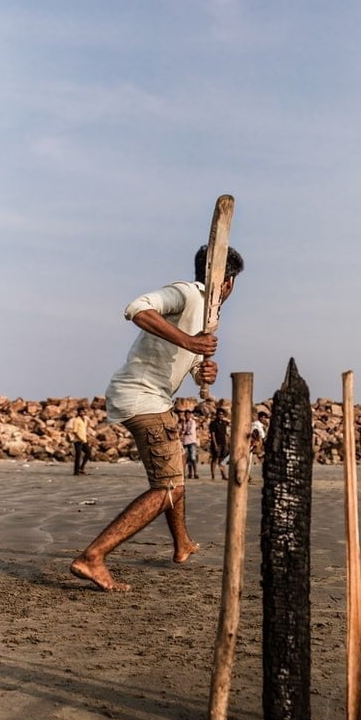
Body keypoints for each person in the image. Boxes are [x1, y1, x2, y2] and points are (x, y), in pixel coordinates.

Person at [70, 245, 244, 591]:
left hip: (156, 398)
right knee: (168, 486)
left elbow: (190, 364)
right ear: (226, 282)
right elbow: (137, 309)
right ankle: (93, 556)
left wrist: (203, 370)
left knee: (175, 476)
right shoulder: (188, 293)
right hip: (142, 397)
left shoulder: (209, 317)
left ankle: (182, 544)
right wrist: (190, 343)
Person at [67, 406, 92, 476]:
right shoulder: (76, 420)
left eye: (83, 412)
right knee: (78, 456)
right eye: (81, 412)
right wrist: (80, 439)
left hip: (84, 440)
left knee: (88, 453)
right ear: (78, 413)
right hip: (78, 441)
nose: (82, 413)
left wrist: (86, 437)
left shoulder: (84, 420)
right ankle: (76, 472)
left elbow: (84, 430)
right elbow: (74, 432)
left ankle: (81, 468)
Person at [209, 406, 229, 480]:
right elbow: (213, 434)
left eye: (222, 414)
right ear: (217, 415)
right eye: (219, 414)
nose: (221, 415)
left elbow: (225, 434)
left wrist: (226, 444)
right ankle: (213, 475)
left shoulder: (224, 423)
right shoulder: (213, 423)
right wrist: (215, 445)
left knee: (222, 460)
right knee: (214, 459)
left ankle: (223, 475)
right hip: (217, 443)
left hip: (223, 443)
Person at [181, 409, 199, 479]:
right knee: (186, 459)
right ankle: (189, 473)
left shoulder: (193, 422)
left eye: (188, 414)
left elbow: (190, 431)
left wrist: (184, 432)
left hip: (192, 442)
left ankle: (195, 473)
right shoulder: (184, 422)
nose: (187, 416)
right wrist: (183, 426)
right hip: (185, 442)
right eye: (186, 415)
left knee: (193, 458)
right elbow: (181, 430)